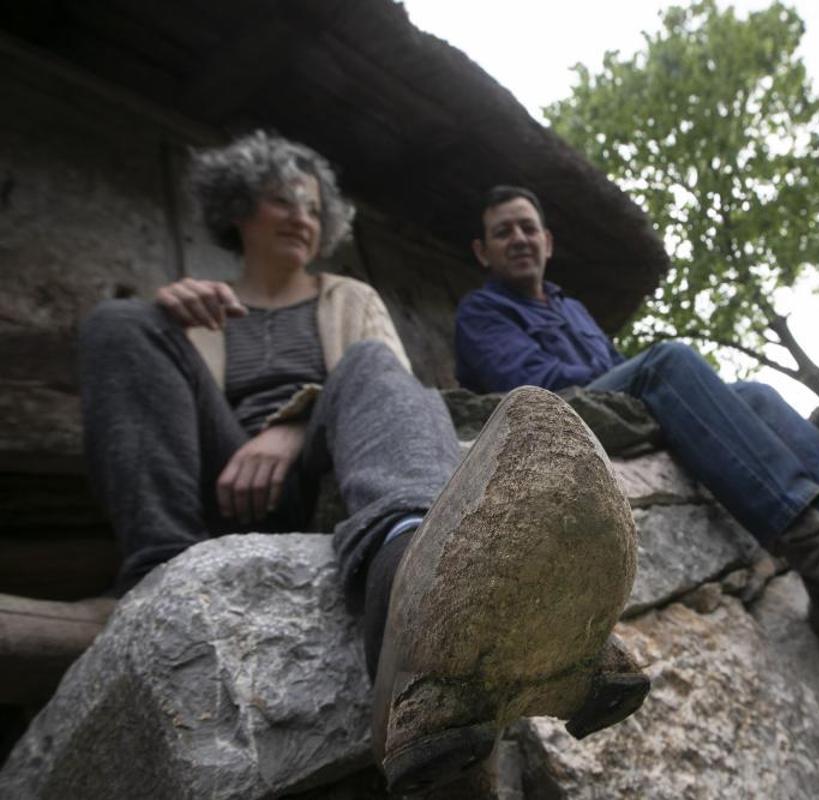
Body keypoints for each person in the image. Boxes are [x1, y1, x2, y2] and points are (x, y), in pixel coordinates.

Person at [61, 136, 642, 792]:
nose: (301, 217)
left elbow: (387, 390)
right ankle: (155, 568)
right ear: (239, 209)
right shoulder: (200, 306)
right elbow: (155, 399)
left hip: (328, 468)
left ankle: (413, 573)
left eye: (313, 208)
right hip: (221, 474)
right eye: (283, 201)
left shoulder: (350, 296)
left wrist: (293, 425)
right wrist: (164, 320)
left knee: (372, 361)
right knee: (119, 322)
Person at [455, 185, 819, 668]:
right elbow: (536, 386)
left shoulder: (572, 308)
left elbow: (615, 370)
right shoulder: (481, 312)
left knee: (756, 396)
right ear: (483, 252)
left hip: (619, 406)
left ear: (548, 240)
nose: (519, 238)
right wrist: (640, 376)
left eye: (528, 227)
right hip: (559, 417)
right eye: (504, 232)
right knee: (668, 360)